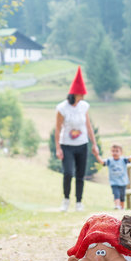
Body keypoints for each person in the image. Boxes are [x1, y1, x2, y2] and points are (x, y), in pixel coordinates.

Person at [55, 66, 99, 212]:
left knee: (80, 174)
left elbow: (88, 126)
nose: (83, 97)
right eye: (81, 94)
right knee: (68, 173)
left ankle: (79, 202)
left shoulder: (84, 106)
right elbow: (58, 128)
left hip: (82, 144)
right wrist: (58, 148)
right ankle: (66, 199)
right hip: (66, 145)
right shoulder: (62, 108)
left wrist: (94, 144)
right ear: (75, 94)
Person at [94, 144, 131, 210]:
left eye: (117, 151)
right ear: (111, 152)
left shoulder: (123, 160)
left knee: (122, 197)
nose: (115, 153)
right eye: (113, 151)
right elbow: (102, 162)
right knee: (116, 195)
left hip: (123, 182)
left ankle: (122, 208)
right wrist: (96, 155)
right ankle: (117, 206)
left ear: (121, 153)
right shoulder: (109, 161)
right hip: (114, 182)